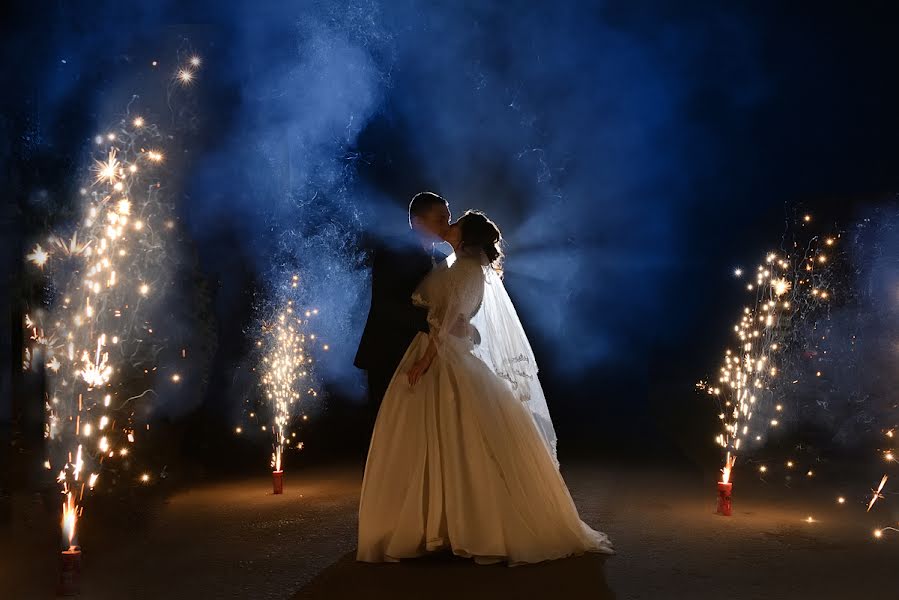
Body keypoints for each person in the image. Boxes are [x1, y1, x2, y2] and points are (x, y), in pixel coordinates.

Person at [357, 210, 613, 566]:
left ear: (465, 238)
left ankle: (461, 526)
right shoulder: (453, 264)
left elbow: (446, 323)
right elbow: (448, 319)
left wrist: (425, 360)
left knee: (452, 439)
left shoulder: (464, 269)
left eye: (454, 222)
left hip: (441, 357)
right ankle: (437, 523)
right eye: (443, 218)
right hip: (439, 353)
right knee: (438, 441)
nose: (448, 224)